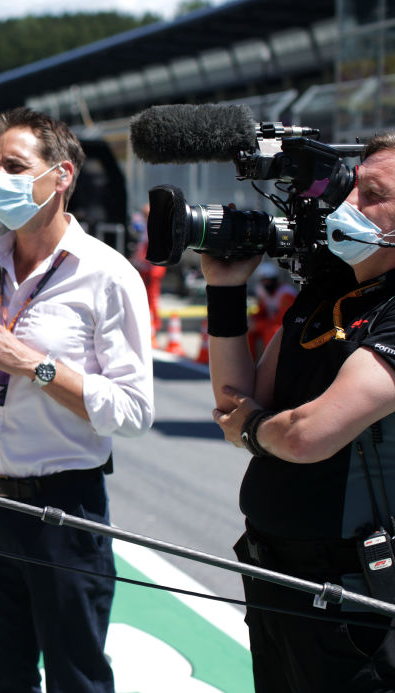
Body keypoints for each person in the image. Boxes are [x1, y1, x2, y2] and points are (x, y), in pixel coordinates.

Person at [0, 107, 154, 693]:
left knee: (77, 680)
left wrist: (32, 364)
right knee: (0, 678)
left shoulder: (107, 275)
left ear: (60, 176)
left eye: (15, 166)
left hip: (61, 510)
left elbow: (134, 411)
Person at [206, 132, 395, 692]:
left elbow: (310, 434)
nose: (346, 206)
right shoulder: (324, 294)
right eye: (349, 190)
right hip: (275, 576)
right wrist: (223, 289)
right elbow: (235, 400)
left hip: (353, 597)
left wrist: (256, 430)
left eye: (373, 195)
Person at [129, 203, 167, 341]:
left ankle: (154, 325)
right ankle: (150, 325)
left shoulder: (154, 230)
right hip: (147, 269)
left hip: (152, 270)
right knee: (146, 298)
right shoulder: (146, 228)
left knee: (151, 298)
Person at [246, 261, 297, 359]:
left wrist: (258, 325)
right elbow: (262, 311)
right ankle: (249, 362)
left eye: (269, 280)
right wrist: (252, 319)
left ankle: (271, 364)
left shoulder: (286, 294)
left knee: (272, 331)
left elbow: (283, 320)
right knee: (247, 330)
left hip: (286, 327)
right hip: (270, 324)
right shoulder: (265, 293)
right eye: (264, 280)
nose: (266, 283)